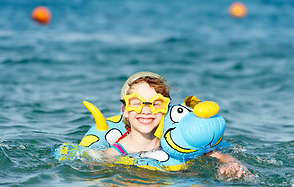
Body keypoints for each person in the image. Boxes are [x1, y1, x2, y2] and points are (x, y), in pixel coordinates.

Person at [104, 71, 249, 178]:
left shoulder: (176, 143)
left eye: (156, 104)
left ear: (166, 109)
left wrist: (230, 163)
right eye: (136, 103)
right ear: (125, 110)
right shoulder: (114, 153)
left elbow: (218, 155)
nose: (146, 110)